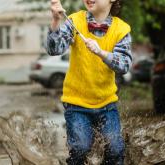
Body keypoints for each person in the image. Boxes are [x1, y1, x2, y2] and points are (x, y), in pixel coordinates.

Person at [46, 0, 132, 164]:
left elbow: (124, 65)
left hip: (107, 105)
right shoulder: (74, 21)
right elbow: (53, 49)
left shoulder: (121, 29)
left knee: (115, 149)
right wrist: (56, 21)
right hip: (76, 104)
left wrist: (102, 53)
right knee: (80, 147)